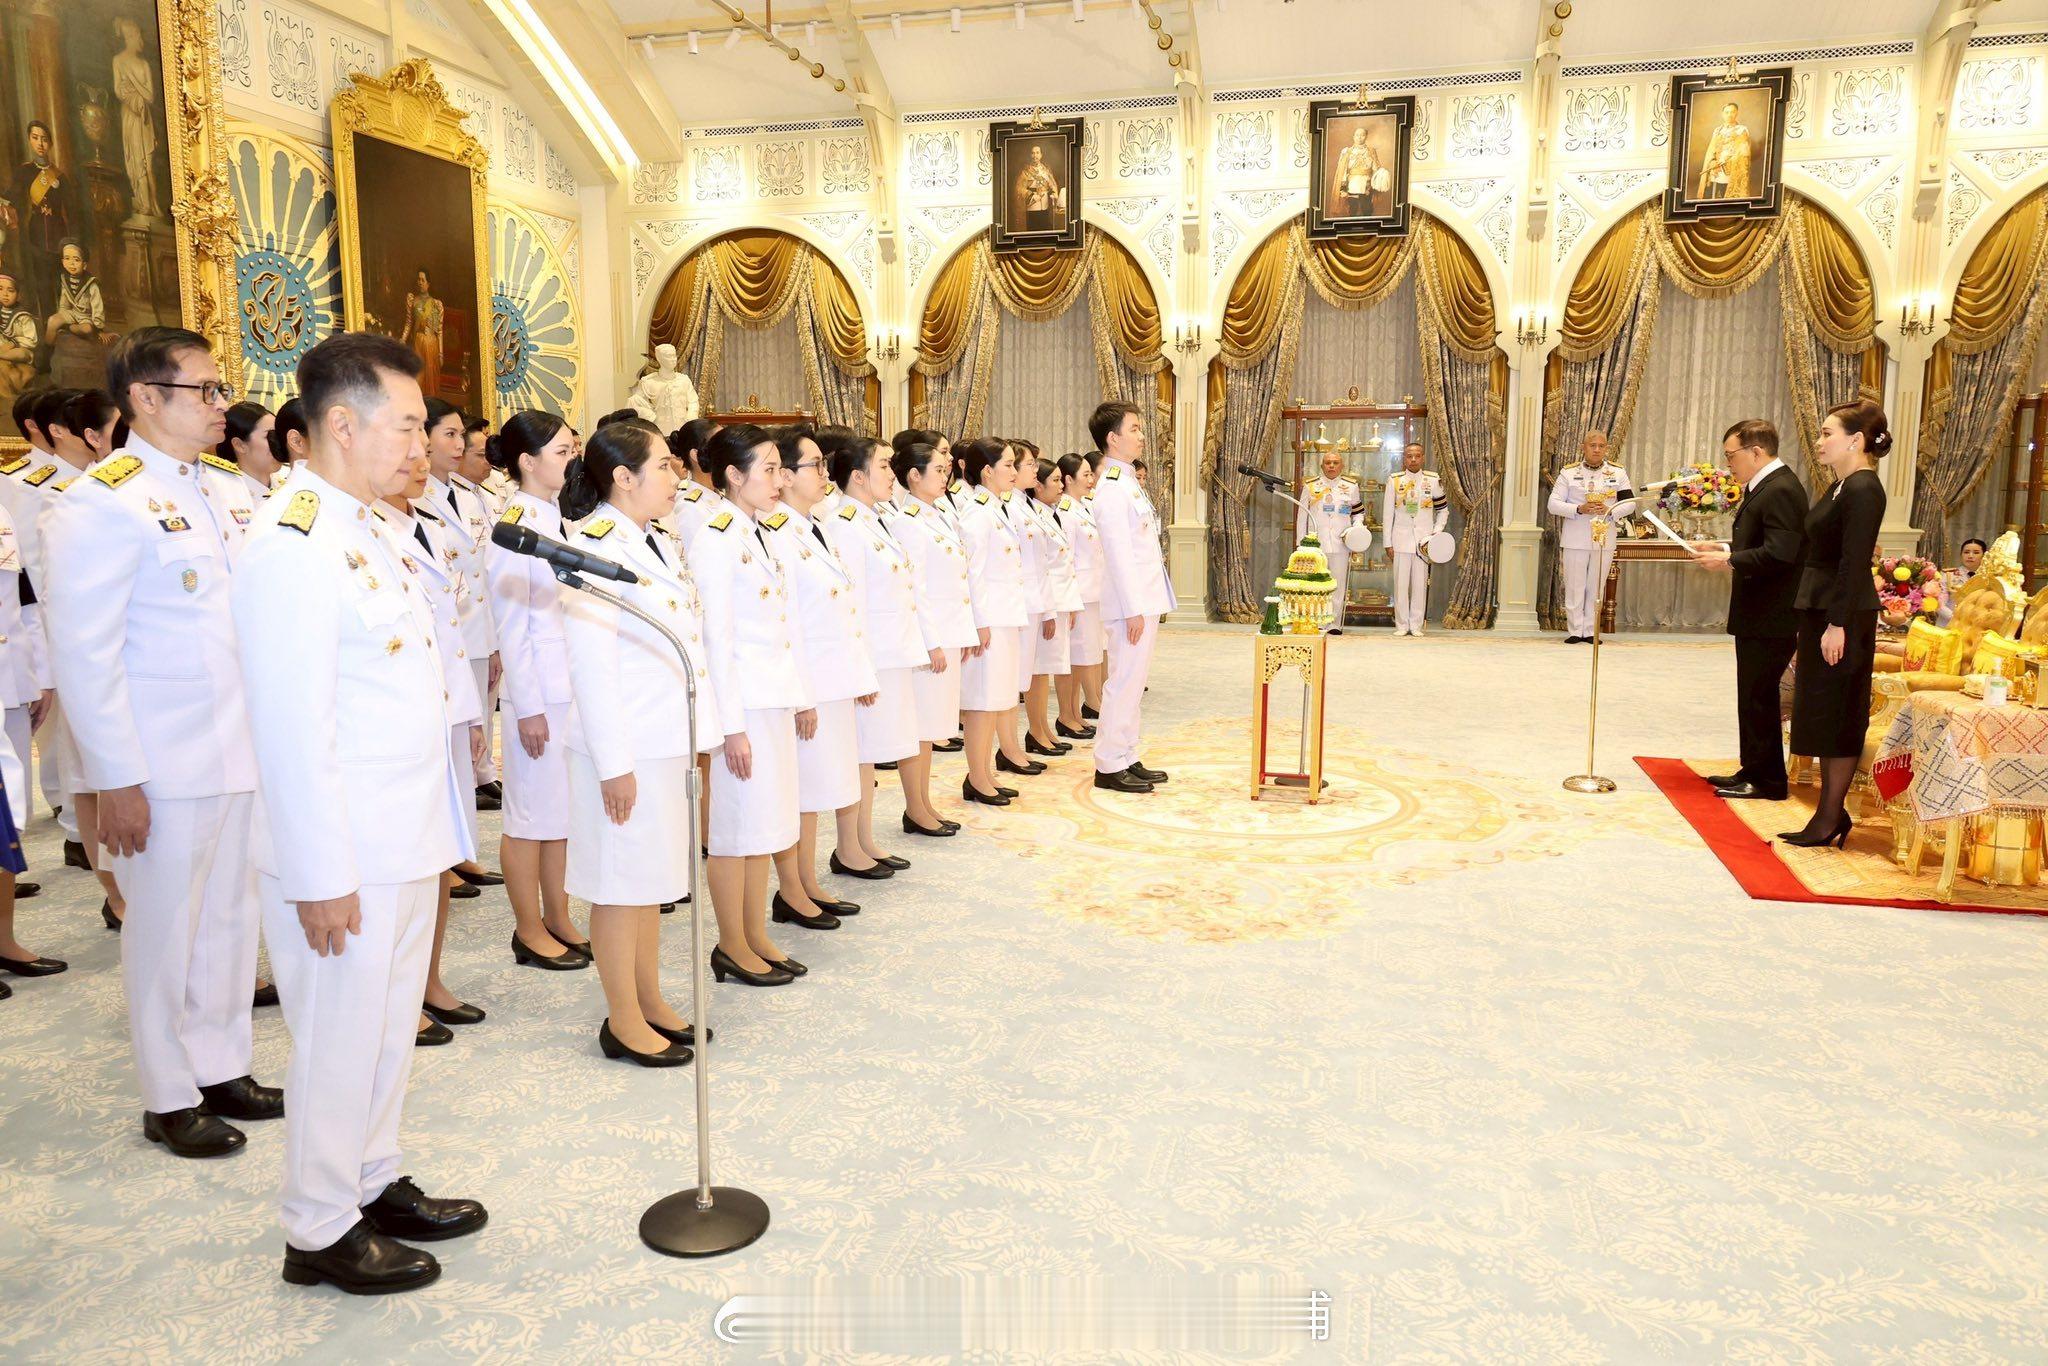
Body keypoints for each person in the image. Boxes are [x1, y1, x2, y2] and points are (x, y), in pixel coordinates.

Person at [233, 330, 485, 1295]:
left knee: (382, 1029)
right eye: (408, 426)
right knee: (340, 1038)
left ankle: (371, 1179)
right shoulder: (293, 541)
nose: (422, 444)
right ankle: (319, 1224)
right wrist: (320, 873)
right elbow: (291, 728)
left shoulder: (366, 525)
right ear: (342, 425)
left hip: (400, 833)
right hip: (344, 849)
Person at [42, 327, 279, 1156]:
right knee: (164, 928)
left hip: (238, 747)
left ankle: (221, 1064)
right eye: (204, 390)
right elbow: (86, 655)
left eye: (220, 389)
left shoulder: (227, 489)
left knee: (230, 917)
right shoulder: (101, 502)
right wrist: (116, 778)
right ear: (145, 398)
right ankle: (168, 1093)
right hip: (162, 761)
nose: (220, 405)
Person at [559, 418, 720, 1064]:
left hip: (663, 740)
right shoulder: (595, 546)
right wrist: (614, 765)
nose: (676, 476)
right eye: (662, 466)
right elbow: (592, 667)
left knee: (650, 882)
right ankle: (622, 1020)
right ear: (624, 478)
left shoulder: (651, 538)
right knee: (619, 884)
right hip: (624, 746)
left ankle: (649, 998)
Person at [372, 441, 488, 1044]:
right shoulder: (367, 531)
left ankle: (429, 979)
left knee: (441, 855)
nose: (422, 466)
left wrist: (470, 716)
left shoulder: (429, 521)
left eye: (424, 454)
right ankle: (398, 993)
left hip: (447, 710)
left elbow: (453, 629)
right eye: (408, 455)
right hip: (406, 720)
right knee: (405, 866)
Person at [690, 423, 813, 986]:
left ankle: (756, 933)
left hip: (772, 701)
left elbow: (784, 625)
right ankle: (732, 944)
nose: (778, 480)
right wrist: (731, 727)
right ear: (733, 476)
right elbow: (716, 640)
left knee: (764, 826)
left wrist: (799, 697)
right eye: (767, 469)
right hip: (744, 709)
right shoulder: (716, 537)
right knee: (735, 832)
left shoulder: (760, 531)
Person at [484, 411, 589, 968]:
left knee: (559, 812)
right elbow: (512, 625)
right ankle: (528, 928)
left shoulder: (556, 517)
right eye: (561, 452)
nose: (572, 460)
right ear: (527, 461)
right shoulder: (514, 526)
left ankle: (559, 914)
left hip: (564, 689)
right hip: (538, 696)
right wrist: (525, 707)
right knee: (528, 817)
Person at [764, 427, 875, 927]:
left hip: (831, 679)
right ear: (785, 476)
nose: (824, 473)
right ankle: (791, 890)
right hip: (807, 684)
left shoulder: (813, 526)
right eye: (814, 464)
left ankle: (806, 882)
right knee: (802, 792)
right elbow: (786, 623)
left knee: (817, 787)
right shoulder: (777, 534)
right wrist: (801, 696)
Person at [1782, 401, 1889, 848]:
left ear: (1856, 440)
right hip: (1824, 609)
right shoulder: (1842, 486)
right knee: (1823, 711)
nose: (1820, 441)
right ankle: (1829, 813)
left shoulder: (1864, 489)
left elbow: (1853, 561)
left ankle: (1829, 816)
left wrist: (1837, 624)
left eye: (1828, 433)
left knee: (1839, 711)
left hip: (1841, 614)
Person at [1689, 420, 1808, 803]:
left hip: (1772, 612)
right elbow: (1761, 541)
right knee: (1752, 693)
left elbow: (1781, 553)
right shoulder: (1767, 485)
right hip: (1759, 610)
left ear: (1756, 451)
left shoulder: (1781, 489)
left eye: (1731, 455)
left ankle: (1769, 780)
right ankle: (1752, 768)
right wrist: (1725, 549)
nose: (1729, 464)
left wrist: (1728, 560)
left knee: (1761, 695)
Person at [825, 432, 924, 874]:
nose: (892, 473)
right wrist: (861, 668)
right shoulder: (845, 524)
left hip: (891, 654)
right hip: (873, 659)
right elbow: (853, 605)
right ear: (858, 476)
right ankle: (848, 847)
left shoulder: (875, 517)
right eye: (883, 465)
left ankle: (864, 839)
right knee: (861, 753)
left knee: (872, 752)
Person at [418, 397, 505, 834]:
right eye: (448, 434)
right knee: (450, 743)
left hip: (476, 630)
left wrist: (493, 642)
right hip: (445, 637)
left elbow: (483, 573)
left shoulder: (468, 497)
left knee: (475, 730)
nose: (458, 444)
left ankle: (467, 835)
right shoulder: (412, 498)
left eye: (459, 435)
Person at [889, 439, 972, 836]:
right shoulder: (908, 521)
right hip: (930, 638)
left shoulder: (937, 514)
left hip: (948, 632)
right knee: (921, 729)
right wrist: (932, 642)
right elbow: (915, 588)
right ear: (913, 475)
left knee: (933, 726)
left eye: (945, 469)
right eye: (937, 470)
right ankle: (915, 808)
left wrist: (961, 633)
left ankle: (924, 803)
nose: (945, 475)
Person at [1089, 401, 1172, 794]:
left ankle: (1126, 754)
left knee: (1134, 683)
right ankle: (1108, 764)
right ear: (1112, 438)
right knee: (1123, 681)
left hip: (1142, 599)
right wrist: (1133, 608)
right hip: (1129, 605)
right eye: (1134, 429)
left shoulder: (1127, 482)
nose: (1141, 436)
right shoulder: (1110, 488)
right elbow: (1119, 555)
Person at [955, 438, 1027, 806]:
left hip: (1005, 617)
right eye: (1008, 465)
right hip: (990, 621)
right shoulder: (977, 513)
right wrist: (979, 623)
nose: (1014, 472)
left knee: (996, 699)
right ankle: (977, 778)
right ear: (987, 471)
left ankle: (983, 774)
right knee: (981, 703)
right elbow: (973, 573)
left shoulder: (997, 507)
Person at [1548, 431, 1636, 643]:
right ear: (1583, 447)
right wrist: (1579, 508)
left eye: (1601, 446)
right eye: (1592, 445)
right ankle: (1575, 630)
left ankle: (1590, 630)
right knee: (1574, 585)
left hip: (1603, 538)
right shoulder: (1569, 473)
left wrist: (1610, 511)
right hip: (1575, 538)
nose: (1597, 449)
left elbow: (1630, 503)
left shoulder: (1618, 472)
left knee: (1596, 586)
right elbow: (1553, 504)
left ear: (1606, 448)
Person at [1025, 457, 1081, 755]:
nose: (1061, 486)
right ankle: (1036, 730)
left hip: (1060, 601)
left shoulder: (1049, 513)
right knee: (1038, 671)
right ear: (1038, 485)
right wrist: (1051, 609)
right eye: (1056, 480)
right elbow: (1041, 567)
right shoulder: (1034, 514)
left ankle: (1044, 728)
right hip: (1048, 602)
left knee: (1047, 668)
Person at [1054, 452, 1104, 738]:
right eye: (1085, 474)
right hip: (1079, 596)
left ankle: (1075, 713)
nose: (1091, 479)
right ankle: (1066, 714)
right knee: (1072, 659)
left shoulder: (1084, 506)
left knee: (1086, 656)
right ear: (1068, 479)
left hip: (1093, 594)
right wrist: (1070, 600)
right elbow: (1067, 560)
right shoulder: (1065, 512)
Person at [1383, 442, 1447, 637]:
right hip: (1400, 540)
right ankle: (1402, 625)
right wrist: (1387, 543)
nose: (1413, 459)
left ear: (1423, 458)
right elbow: (1387, 514)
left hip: (1424, 542)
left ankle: (1416, 625)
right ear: (1404, 458)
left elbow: (1442, 510)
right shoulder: (1394, 480)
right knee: (1401, 585)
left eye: (1417, 456)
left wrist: (1436, 533)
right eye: (1409, 456)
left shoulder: (1433, 480)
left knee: (1420, 585)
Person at [44, 240, 106, 390]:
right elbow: (64, 303)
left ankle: (70, 328)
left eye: (76, 260)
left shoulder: (91, 284)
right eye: (67, 258)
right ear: (62, 261)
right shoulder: (64, 279)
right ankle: (46, 356)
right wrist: (61, 316)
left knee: (87, 329)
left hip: (86, 316)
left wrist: (99, 327)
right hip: (72, 313)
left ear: (84, 265)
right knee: (52, 321)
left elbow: (98, 307)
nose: (71, 263)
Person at [212, 401, 279, 500]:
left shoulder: (290, 484)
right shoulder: (222, 495)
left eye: (279, 435)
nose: (279, 443)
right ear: (239, 445)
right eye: (269, 436)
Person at [399, 269, 443, 398]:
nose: (420, 282)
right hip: (418, 343)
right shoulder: (413, 301)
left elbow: (439, 330)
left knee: (431, 378)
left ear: (428, 283)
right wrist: (402, 339)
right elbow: (409, 323)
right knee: (419, 376)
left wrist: (441, 353)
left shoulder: (436, 304)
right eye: (418, 279)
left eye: (423, 280)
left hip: (432, 344)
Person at [1697, 101, 1753, 200]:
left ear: (1737, 113)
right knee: (1713, 195)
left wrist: (1726, 160)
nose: (1729, 115)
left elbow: (1744, 152)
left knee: (1727, 197)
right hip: (1715, 168)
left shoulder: (1742, 130)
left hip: (1732, 168)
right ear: (1722, 114)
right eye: (1727, 112)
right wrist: (1712, 161)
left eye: (1732, 112)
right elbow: (1711, 150)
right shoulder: (1717, 130)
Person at [0, 274, 36, 423]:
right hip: (4, 351)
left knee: (20, 352)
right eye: (0, 289)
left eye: (10, 291)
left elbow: (31, 340)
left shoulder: (23, 316)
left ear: (18, 295)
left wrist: (13, 343)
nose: (5, 294)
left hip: (22, 352)